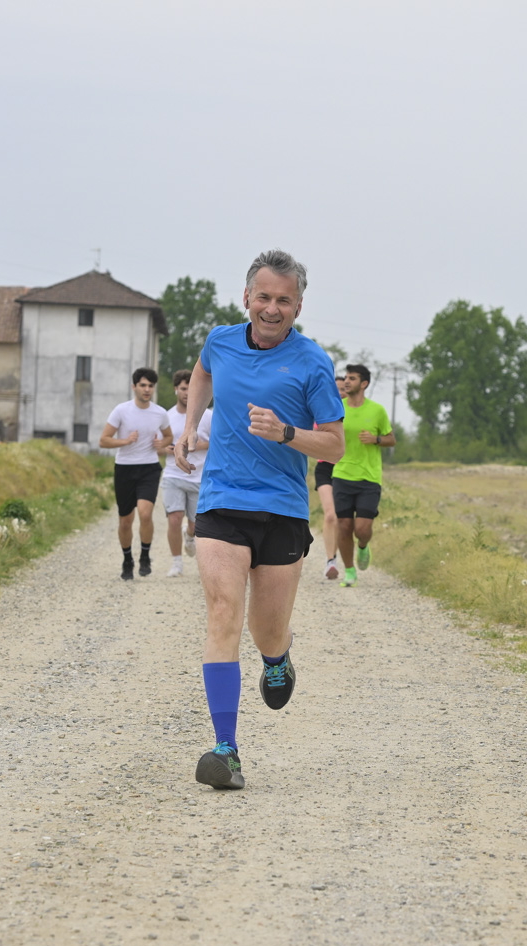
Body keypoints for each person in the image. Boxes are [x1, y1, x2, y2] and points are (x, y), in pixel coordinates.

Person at [174, 249, 344, 791]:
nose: (272, 308)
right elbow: (203, 371)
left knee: (265, 630)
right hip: (222, 499)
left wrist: (287, 433)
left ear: (298, 306)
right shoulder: (220, 340)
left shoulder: (312, 362)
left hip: (282, 509)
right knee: (223, 612)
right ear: (246, 297)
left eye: (284, 301)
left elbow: (335, 446)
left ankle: (278, 657)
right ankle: (225, 750)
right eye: (264, 297)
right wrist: (190, 425)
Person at [99, 368, 173, 580]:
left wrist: (162, 444)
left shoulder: (160, 413)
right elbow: (103, 440)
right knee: (125, 520)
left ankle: (145, 556)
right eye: (143, 385)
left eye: (150, 386)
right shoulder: (121, 411)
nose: (147, 389)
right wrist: (125, 441)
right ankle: (127, 559)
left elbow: (169, 436)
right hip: (125, 468)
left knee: (145, 513)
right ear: (134, 387)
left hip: (149, 468)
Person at [331, 363, 395, 587]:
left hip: (369, 477)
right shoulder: (337, 407)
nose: (347, 382)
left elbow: (391, 439)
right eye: (346, 378)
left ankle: (363, 546)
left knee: (362, 529)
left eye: (353, 378)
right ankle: (349, 571)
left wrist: (376, 439)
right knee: (344, 525)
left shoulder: (377, 411)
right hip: (342, 473)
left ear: (364, 383)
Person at [162, 369, 213, 577]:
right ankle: (177, 564)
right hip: (173, 475)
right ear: (176, 389)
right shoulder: (167, 416)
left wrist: (197, 445)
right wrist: (167, 448)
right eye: (183, 389)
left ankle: (190, 536)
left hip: (199, 476)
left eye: (190, 388)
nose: (187, 393)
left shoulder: (209, 416)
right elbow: (158, 443)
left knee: (195, 524)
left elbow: (219, 442)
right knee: (174, 518)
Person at [314, 371, 349, 580]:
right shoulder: (322, 411)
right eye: (336, 389)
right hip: (326, 467)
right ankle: (330, 561)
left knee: (345, 520)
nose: (340, 393)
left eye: (343, 389)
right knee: (330, 515)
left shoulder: (353, 413)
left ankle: (351, 556)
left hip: (349, 470)